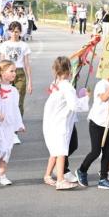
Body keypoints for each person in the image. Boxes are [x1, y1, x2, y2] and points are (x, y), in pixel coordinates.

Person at [42, 56, 89, 191]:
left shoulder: (55, 83)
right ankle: (61, 180)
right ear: (69, 70)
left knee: (55, 151)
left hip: (51, 122)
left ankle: (47, 175)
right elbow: (74, 106)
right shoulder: (67, 86)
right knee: (61, 151)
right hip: (60, 123)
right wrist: (85, 98)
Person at [75, 77, 109, 190]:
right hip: (97, 123)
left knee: (107, 152)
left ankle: (103, 179)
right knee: (96, 151)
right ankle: (82, 170)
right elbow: (104, 98)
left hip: (108, 124)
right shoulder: (102, 84)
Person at [0, 60, 24, 186]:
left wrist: (19, 124)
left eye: (14, 71)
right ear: (2, 73)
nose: (14, 73)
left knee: (7, 150)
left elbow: (16, 108)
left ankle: (2, 175)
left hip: (9, 126)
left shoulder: (14, 90)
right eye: (11, 71)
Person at [0, 21, 32, 115]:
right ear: (9, 32)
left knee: (19, 101)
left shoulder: (24, 45)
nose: (14, 34)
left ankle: (18, 124)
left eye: (17, 31)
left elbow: (27, 64)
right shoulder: (5, 45)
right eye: (12, 31)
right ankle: (7, 122)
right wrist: (0, 77)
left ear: (20, 32)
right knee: (6, 100)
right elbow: (1, 62)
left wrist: (30, 81)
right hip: (7, 74)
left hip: (20, 74)